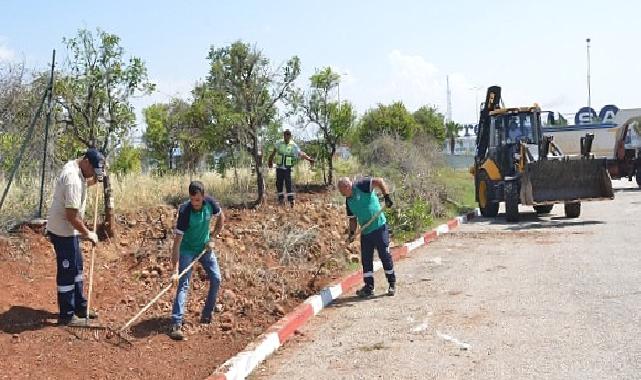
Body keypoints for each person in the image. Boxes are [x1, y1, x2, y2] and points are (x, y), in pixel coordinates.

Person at [46, 148, 104, 326]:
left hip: (70, 230)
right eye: (92, 170)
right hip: (63, 230)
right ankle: (67, 315)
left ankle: (80, 306)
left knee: (77, 266)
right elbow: (72, 216)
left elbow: (84, 182)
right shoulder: (72, 179)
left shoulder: (78, 168)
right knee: (68, 271)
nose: (92, 174)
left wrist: (96, 178)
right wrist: (89, 234)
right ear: (85, 161)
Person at [169, 180, 225, 341]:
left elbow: (221, 217)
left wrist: (213, 237)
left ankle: (207, 315)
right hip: (187, 250)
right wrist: (175, 270)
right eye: (193, 200)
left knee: (216, 278)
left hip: (204, 248)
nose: (195, 203)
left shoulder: (210, 203)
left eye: (198, 200)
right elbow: (177, 243)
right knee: (183, 284)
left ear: (203, 196)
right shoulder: (185, 211)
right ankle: (176, 323)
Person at [338, 176, 396, 297]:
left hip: (379, 227)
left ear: (348, 186)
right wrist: (352, 234)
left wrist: (386, 196)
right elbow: (353, 219)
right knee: (366, 260)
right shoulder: (348, 201)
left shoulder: (361, 185)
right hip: (366, 232)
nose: (343, 195)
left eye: (343, 192)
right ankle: (369, 287)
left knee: (384, 255)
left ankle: (392, 283)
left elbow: (380, 181)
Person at [268, 129, 315, 207]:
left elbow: (300, 154)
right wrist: (270, 161)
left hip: (287, 169)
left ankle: (291, 201)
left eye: (288, 135)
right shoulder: (279, 143)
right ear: (283, 135)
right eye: (285, 135)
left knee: (288, 184)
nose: (286, 137)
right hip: (279, 167)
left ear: (290, 136)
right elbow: (273, 153)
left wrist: (309, 159)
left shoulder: (293, 145)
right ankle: (281, 199)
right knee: (279, 183)